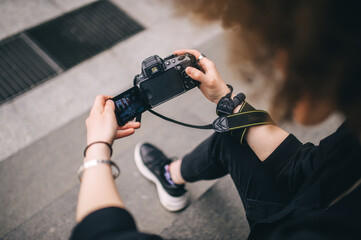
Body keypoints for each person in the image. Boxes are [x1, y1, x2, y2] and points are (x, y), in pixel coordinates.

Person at [70, 0, 361, 239]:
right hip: (305, 204)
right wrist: (225, 100)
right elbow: (309, 169)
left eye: (271, 52)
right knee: (233, 137)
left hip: (280, 226)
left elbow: (102, 235)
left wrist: (97, 147)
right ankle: (171, 176)